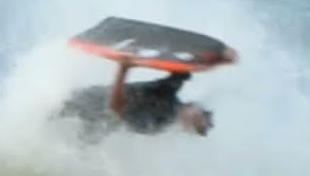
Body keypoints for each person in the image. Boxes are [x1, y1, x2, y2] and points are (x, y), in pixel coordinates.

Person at [57, 59, 214, 140]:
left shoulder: (156, 123)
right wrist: (210, 57)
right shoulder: (171, 91)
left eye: (197, 121)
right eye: (201, 112)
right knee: (53, 107)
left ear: (187, 128)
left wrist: (123, 69)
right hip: (91, 96)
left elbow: (116, 108)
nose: (197, 112)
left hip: (94, 116)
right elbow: (181, 72)